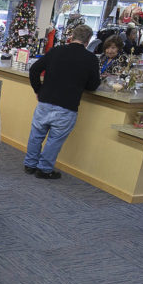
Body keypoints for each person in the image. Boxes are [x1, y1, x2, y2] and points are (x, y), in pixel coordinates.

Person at [24, 24, 100, 179]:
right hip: (67, 106)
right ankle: (44, 169)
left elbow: (34, 70)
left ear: (71, 36)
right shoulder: (90, 59)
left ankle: (30, 164)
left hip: (45, 101)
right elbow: (92, 86)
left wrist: (38, 90)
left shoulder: (56, 51)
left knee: (36, 135)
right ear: (88, 40)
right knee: (54, 140)